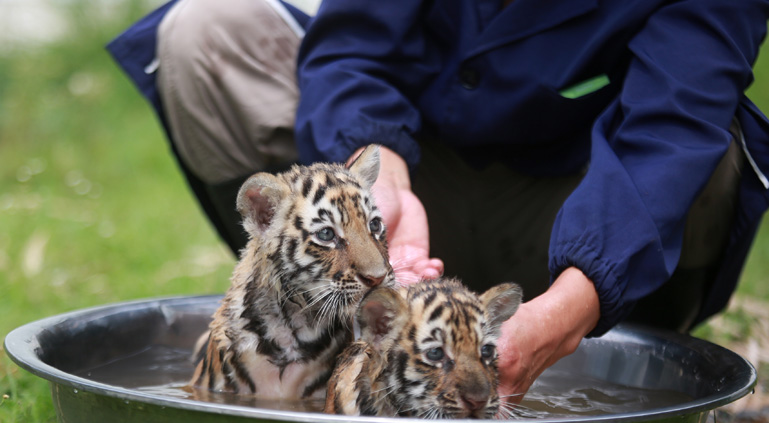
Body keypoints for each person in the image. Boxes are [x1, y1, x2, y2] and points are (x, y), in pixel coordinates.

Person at [109, 0, 769, 401]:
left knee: (708, 154)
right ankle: (318, 353)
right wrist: (379, 173)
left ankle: (621, 365)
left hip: (579, 213)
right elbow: (354, 46)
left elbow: (673, 123)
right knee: (206, 33)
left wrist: (578, 300)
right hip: (417, 190)